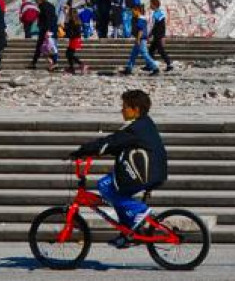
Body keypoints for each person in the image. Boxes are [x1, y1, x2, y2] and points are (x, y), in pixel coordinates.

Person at [70, 89, 169, 246]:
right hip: (154, 171)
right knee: (117, 193)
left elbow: (111, 142)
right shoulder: (144, 123)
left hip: (146, 172)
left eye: (125, 106)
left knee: (104, 184)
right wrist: (97, 151)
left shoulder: (134, 128)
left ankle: (139, 210)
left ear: (135, 110)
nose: (121, 110)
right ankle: (128, 233)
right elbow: (118, 145)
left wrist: (83, 150)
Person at [120, 7, 160, 76]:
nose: (132, 13)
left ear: (138, 11)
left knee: (144, 54)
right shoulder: (137, 18)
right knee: (133, 54)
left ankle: (155, 68)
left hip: (141, 39)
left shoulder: (141, 18)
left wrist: (138, 39)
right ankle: (128, 69)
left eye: (133, 11)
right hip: (139, 39)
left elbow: (140, 30)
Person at [30, 0, 60, 71]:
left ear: (39, 0)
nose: (36, 2)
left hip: (46, 30)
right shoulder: (50, 5)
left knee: (41, 46)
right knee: (52, 47)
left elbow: (47, 18)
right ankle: (54, 63)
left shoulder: (43, 6)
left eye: (36, 0)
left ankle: (34, 63)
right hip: (52, 29)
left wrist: (47, 29)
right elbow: (54, 17)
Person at [147, 0, 174, 72]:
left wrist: (161, 36)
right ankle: (150, 65)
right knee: (151, 51)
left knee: (160, 51)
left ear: (154, 5)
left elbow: (158, 26)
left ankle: (169, 64)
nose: (150, 6)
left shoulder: (158, 14)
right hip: (157, 35)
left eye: (151, 4)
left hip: (158, 36)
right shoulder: (158, 13)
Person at [63, 8, 85, 74]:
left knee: (69, 54)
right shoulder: (76, 20)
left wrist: (68, 32)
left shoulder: (72, 21)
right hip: (75, 38)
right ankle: (72, 68)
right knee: (69, 54)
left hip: (74, 39)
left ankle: (81, 64)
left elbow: (68, 29)